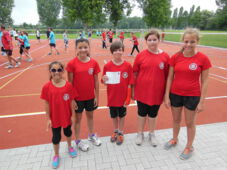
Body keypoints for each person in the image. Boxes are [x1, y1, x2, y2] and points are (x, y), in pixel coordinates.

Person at [164, 28, 211, 160]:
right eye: (186, 41)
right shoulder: (175, 57)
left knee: (190, 123)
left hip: (192, 96)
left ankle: (189, 146)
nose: (189, 44)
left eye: (192, 42)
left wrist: (202, 101)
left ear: (197, 41)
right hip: (175, 94)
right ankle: (174, 139)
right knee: (176, 120)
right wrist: (166, 96)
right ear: (182, 41)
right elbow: (169, 78)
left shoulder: (203, 58)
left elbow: (205, 81)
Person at [133, 29, 170, 146]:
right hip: (142, 92)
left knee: (153, 114)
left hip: (157, 92)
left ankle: (152, 133)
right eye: (149, 40)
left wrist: (166, 94)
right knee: (141, 113)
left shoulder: (165, 57)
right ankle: (140, 133)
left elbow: (167, 76)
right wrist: (133, 91)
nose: (152, 42)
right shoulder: (140, 56)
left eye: (154, 39)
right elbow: (134, 74)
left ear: (158, 40)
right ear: (146, 41)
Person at [66, 38, 102, 152]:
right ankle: (77, 140)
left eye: (85, 47)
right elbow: (70, 84)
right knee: (78, 119)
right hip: (78, 98)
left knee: (90, 116)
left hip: (90, 97)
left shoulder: (93, 63)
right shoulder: (72, 64)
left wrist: (96, 96)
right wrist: (72, 99)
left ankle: (91, 135)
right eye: (80, 47)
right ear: (76, 49)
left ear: (88, 48)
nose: (83, 49)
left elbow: (96, 81)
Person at [40, 61, 77, 169]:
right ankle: (56, 155)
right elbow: (46, 103)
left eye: (59, 70)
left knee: (68, 132)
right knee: (56, 137)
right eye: (54, 70)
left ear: (63, 71)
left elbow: (71, 102)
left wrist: (73, 116)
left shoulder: (68, 86)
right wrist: (48, 119)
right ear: (50, 72)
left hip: (66, 116)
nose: (57, 72)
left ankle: (70, 147)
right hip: (55, 118)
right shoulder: (46, 87)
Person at [102, 41, 133, 145]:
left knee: (122, 116)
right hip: (112, 97)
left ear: (123, 51)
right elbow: (104, 81)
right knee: (114, 116)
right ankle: (115, 131)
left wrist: (128, 97)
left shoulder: (128, 66)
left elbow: (130, 83)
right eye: (115, 50)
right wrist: (104, 79)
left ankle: (121, 132)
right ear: (112, 52)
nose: (118, 52)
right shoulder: (107, 66)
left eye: (120, 50)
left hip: (123, 98)